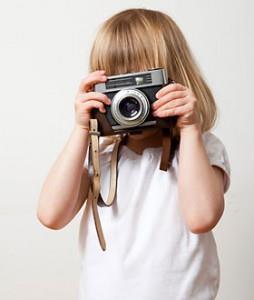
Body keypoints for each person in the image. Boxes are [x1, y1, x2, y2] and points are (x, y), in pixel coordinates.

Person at [37, 8, 231, 300]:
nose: (131, 98)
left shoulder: (201, 148)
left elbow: (201, 217)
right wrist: (81, 128)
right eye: (116, 85)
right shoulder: (98, 155)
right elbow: (51, 215)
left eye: (142, 84)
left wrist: (189, 129)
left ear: (175, 81)